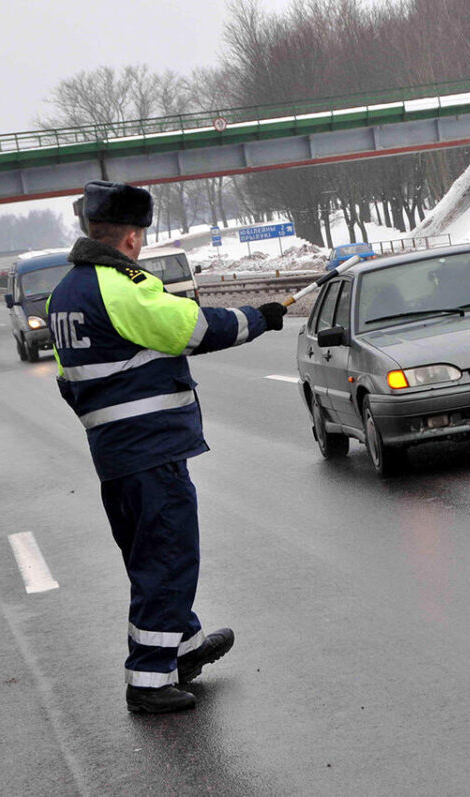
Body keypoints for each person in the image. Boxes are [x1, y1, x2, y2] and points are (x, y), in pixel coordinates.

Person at [47, 180, 287, 714]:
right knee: (168, 555)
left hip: (114, 454)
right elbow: (193, 328)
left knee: (149, 556)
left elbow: (68, 381)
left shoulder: (62, 293)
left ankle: (184, 645)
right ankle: (150, 681)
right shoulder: (122, 285)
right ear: (131, 239)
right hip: (150, 452)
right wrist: (259, 318)